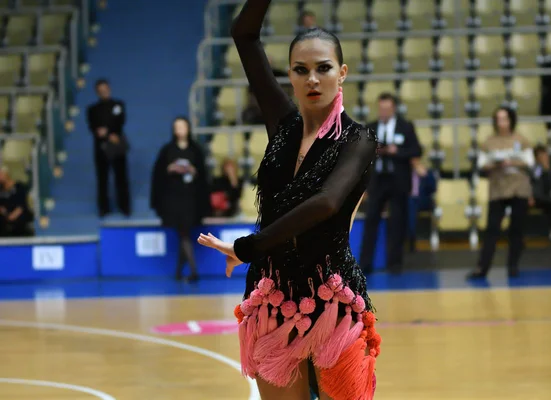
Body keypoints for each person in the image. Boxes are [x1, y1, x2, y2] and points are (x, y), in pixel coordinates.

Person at [197, 1, 381, 399]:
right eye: (301, 70)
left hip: (332, 299)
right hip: (272, 299)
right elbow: (243, 34)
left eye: (323, 68)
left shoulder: (358, 140)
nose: (312, 79)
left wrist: (249, 246)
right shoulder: (282, 125)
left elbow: (327, 203)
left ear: (341, 73)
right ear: (291, 76)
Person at [467, 107, 534, 279]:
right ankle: (483, 267)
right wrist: (497, 164)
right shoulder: (489, 142)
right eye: (498, 119)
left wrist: (512, 161)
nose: (502, 122)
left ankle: (513, 266)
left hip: (518, 186)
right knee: (492, 229)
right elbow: (482, 163)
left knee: (516, 229)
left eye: (505, 119)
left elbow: (529, 161)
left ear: (511, 120)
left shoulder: (521, 140)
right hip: (497, 187)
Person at [359, 92, 422, 273]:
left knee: (397, 222)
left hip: (398, 181)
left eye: (387, 108)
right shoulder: (370, 127)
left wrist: (397, 151)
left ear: (394, 108)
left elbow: (417, 150)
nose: (384, 111)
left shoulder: (405, 126)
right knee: (371, 220)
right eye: (381, 108)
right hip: (377, 181)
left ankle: (395, 263)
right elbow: (361, 153)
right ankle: (366, 264)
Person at [150, 117, 211, 283]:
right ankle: (192, 270)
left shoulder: (196, 150)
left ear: (188, 128)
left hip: (191, 199)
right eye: (177, 126)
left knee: (184, 233)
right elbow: (158, 174)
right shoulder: (167, 150)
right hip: (173, 199)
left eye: (183, 126)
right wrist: (169, 169)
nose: (180, 129)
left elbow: (203, 176)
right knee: (183, 232)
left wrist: (192, 171)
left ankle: (180, 272)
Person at [86, 79, 131, 217]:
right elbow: (93, 127)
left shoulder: (118, 105)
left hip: (117, 146)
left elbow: (120, 121)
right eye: (100, 90)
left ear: (109, 88)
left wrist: (110, 132)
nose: (103, 91)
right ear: (97, 92)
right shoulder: (92, 109)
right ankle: (103, 208)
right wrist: (104, 135)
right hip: (101, 148)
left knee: (121, 177)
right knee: (102, 179)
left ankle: (124, 206)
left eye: (105, 88)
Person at [529, 145, 551, 243]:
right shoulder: (533, 168)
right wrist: (529, 197)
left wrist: (547, 170)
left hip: (545, 198)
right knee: (519, 207)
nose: (544, 157)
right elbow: (530, 183)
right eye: (540, 155)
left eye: (544, 154)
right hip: (532, 197)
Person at [407, 158, 437, 252]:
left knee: (410, 205)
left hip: (421, 200)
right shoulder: (404, 171)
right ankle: (410, 239)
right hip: (406, 199)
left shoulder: (425, 171)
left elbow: (433, 188)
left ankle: (411, 239)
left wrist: (425, 176)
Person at [0, 167, 34, 237]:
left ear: (6, 175)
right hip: (5, 217)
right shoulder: (0, 190)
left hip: (19, 215)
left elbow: (22, 205)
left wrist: (12, 216)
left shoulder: (19, 186)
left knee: (21, 220)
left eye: (1, 174)